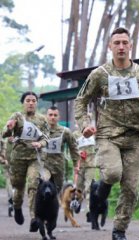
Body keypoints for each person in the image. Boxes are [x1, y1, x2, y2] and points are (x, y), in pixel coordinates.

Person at [74, 27, 139, 240]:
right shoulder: (100, 74)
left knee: (130, 188)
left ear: (130, 46)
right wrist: (85, 125)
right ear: (110, 46)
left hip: (134, 136)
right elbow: (81, 101)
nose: (121, 46)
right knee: (112, 173)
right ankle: (102, 187)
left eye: (124, 43)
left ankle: (119, 229)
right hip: (108, 135)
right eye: (117, 43)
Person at [2, 91, 49, 232]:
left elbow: (46, 138)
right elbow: (4, 133)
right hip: (18, 159)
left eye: (33, 100)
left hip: (35, 158)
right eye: (28, 100)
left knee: (33, 185)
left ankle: (34, 218)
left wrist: (40, 144)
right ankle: (17, 206)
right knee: (19, 187)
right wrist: (10, 128)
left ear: (36, 103)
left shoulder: (42, 120)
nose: (31, 102)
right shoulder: (17, 117)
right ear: (23, 102)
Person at [42, 106, 80, 193]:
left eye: (55, 115)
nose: (52, 117)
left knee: (56, 191)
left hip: (58, 167)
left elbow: (73, 148)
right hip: (44, 166)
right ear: (46, 116)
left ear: (59, 117)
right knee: (45, 185)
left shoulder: (65, 131)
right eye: (50, 115)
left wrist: (76, 164)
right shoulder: (40, 130)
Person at [73, 120, 97, 222]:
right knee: (79, 189)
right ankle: (78, 201)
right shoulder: (74, 135)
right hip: (79, 166)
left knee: (89, 188)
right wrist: (78, 153)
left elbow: (98, 147)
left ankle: (89, 211)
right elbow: (71, 149)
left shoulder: (94, 133)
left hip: (91, 165)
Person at [0, 133, 13, 217]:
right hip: (8, 168)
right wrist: (3, 160)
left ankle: (12, 201)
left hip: (18, 168)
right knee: (9, 183)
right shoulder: (4, 143)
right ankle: (11, 200)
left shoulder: (19, 143)